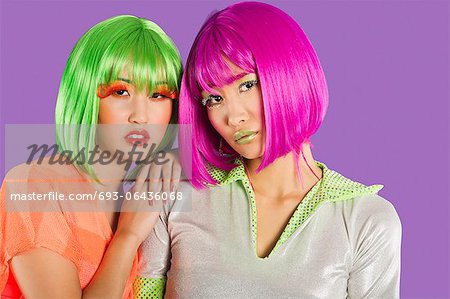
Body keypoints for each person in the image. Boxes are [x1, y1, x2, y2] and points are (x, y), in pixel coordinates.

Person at [135, 2, 402, 298]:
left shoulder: (365, 220)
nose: (233, 117)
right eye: (214, 99)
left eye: (247, 85)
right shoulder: (173, 189)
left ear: (289, 72)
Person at [0, 15, 182, 298]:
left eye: (158, 95)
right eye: (121, 91)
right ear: (84, 94)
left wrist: (180, 156)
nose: (141, 116)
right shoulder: (33, 185)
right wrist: (127, 238)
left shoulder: (138, 195)